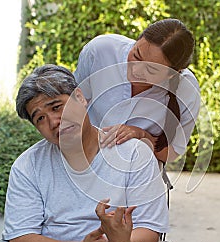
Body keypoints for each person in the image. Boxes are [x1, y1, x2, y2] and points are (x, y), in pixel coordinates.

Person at [2, 64, 169, 242]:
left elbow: (149, 232)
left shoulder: (133, 154)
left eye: (57, 107)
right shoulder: (27, 166)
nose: (54, 122)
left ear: (80, 98)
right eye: (40, 118)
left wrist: (120, 241)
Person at [74, 18, 201, 164]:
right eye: (136, 55)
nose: (136, 70)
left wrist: (141, 135)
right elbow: (72, 108)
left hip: (137, 175)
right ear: (137, 40)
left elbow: (172, 154)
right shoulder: (101, 51)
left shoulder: (186, 89)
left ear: (172, 74)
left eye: (151, 69)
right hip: (83, 160)